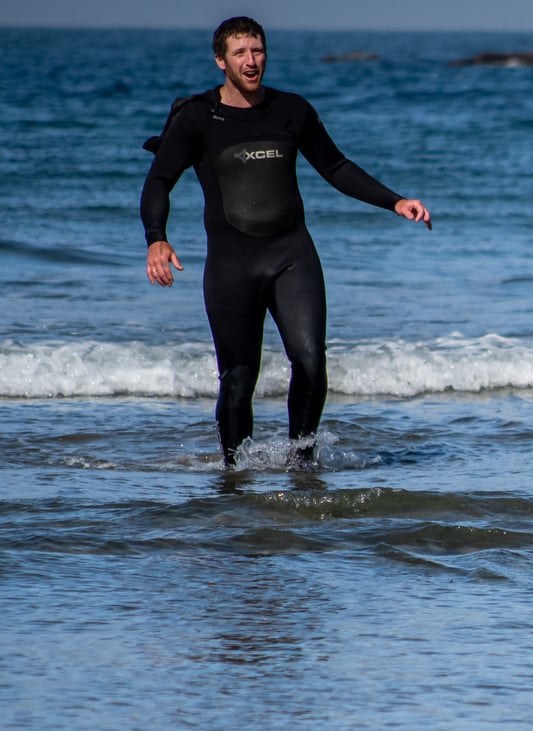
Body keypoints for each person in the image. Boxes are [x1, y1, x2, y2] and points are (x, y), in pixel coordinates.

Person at [140, 16, 431, 466]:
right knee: (238, 379)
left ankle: (302, 464)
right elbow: (159, 180)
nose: (251, 60)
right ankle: (235, 474)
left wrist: (394, 202)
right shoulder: (198, 117)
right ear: (221, 60)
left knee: (312, 362)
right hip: (232, 264)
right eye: (240, 53)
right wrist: (157, 239)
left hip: (291, 255)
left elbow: (336, 167)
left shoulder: (291, 109)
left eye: (257, 50)